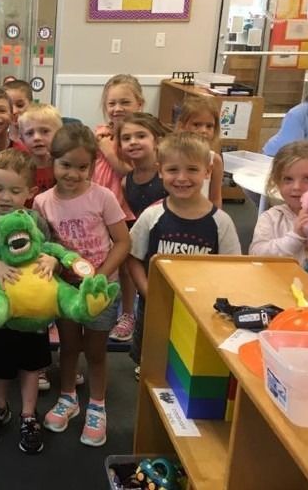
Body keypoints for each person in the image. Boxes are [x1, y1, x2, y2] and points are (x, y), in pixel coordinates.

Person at [34, 122, 130, 447]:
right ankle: (67, 397)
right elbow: (44, 247)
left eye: (82, 167)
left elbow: (122, 242)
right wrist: (51, 263)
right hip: (66, 290)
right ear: (52, 161)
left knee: (97, 351)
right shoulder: (42, 202)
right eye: (65, 165)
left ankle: (98, 405)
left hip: (100, 290)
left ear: (92, 165)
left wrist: (102, 275)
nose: (73, 173)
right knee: (69, 346)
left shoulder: (102, 197)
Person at [128, 132, 241, 377]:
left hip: (200, 308)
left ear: (207, 172)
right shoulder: (151, 216)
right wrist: (148, 291)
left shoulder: (221, 222)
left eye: (192, 169)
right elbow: (134, 257)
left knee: (190, 364)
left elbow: (232, 268)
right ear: (160, 171)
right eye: (172, 170)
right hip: (156, 305)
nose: (182, 178)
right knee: (152, 364)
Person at [0, 149, 56, 455]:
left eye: (14, 190)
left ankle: (28, 414)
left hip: (33, 312)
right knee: (0, 365)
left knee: (32, 366)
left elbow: (52, 252)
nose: (5, 197)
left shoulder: (36, 221)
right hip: (1, 313)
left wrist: (51, 260)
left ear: (31, 192)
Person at [250, 140, 308, 296]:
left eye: (307, 178)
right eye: (288, 179)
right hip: (280, 301)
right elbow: (256, 258)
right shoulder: (272, 218)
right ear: (277, 182)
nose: (296, 187)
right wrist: (295, 236)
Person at [92, 74, 143, 343]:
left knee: (125, 265)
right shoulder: (100, 131)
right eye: (111, 103)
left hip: (125, 210)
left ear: (139, 103)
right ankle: (99, 305)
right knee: (98, 257)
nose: (117, 108)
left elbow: (127, 172)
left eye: (125, 102)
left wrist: (106, 149)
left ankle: (127, 313)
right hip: (98, 209)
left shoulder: (135, 137)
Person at [110, 113, 169, 343]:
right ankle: (128, 314)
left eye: (140, 135)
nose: (133, 142)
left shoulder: (167, 173)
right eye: (126, 138)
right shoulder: (127, 181)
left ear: (157, 140)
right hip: (142, 237)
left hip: (167, 239)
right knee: (128, 270)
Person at [175, 96, 223, 209]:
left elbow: (215, 197)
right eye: (196, 125)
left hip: (201, 215)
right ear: (182, 126)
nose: (203, 131)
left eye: (209, 126)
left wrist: (217, 221)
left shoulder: (214, 160)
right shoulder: (172, 155)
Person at [18, 103, 64, 200]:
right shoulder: (19, 168)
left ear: (59, 134)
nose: (37, 138)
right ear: (22, 139)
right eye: (30, 133)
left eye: (45, 131)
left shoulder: (65, 165)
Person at [4, 79, 33, 143]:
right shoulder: (0, 141)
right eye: (9, 106)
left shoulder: (38, 139)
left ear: (31, 105)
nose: (14, 111)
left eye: (20, 105)